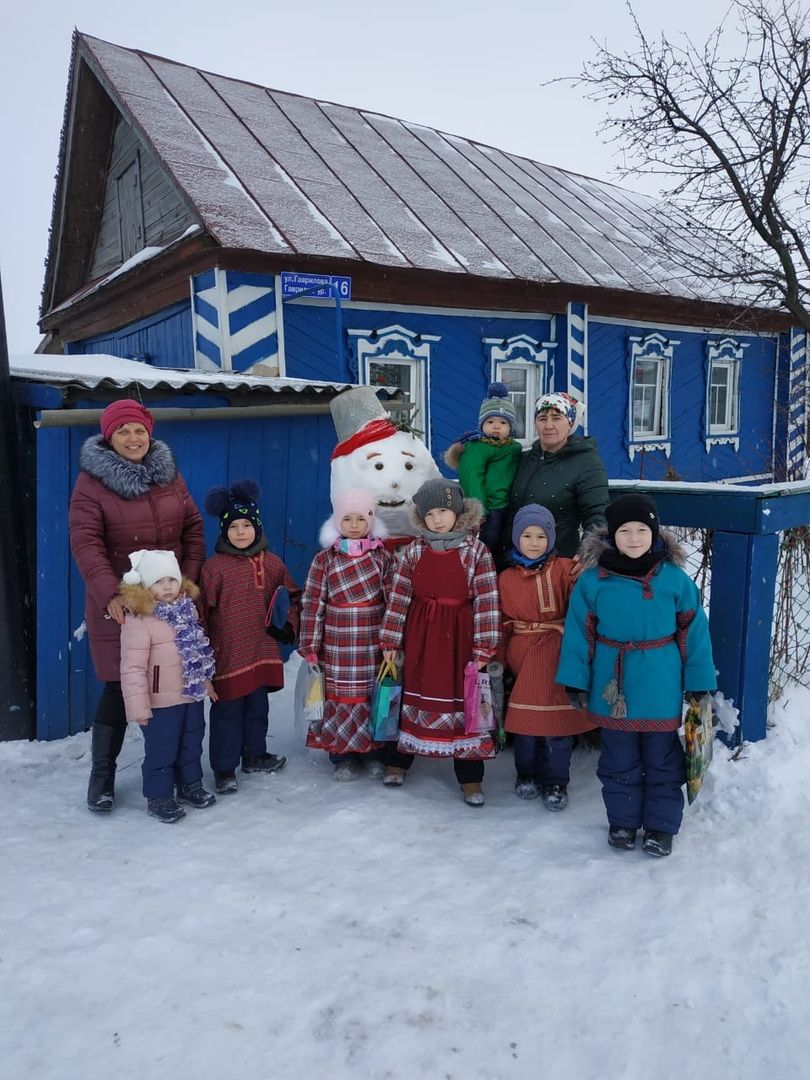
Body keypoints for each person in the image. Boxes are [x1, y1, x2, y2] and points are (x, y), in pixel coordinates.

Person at [556, 493, 716, 857]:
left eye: (641, 529)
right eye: (624, 530)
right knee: (617, 758)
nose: (633, 538)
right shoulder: (594, 582)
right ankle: (623, 822)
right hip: (612, 683)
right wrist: (575, 679)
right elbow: (580, 632)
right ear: (611, 536)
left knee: (662, 759)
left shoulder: (674, 580)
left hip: (660, 680)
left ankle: (661, 827)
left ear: (654, 532)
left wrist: (699, 682)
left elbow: (694, 631)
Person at [69, 398, 205, 813]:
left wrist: (188, 581)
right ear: (109, 438)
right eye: (123, 431)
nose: (133, 438)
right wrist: (111, 593)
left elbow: (194, 529)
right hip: (122, 604)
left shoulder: (169, 475)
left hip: (172, 602)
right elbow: (86, 542)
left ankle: (177, 774)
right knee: (118, 685)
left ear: (150, 433)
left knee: (176, 685)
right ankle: (102, 778)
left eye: (139, 430)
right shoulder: (92, 484)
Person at [380, 479, 500, 807]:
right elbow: (399, 595)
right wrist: (391, 638)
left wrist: (483, 648)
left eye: (443, 511)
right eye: (429, 513)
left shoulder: (476, 551)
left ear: (458, 512)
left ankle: (470, 778)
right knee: (407, 697)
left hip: (460, 636)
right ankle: (397, 761)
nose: (437, 519)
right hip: (421, 635)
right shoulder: (416, 550)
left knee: (466, 702)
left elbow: (487, 600)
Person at [200, 480, 301, 794]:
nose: (241, 532)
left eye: (247, 525)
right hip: (229, 654)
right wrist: (201, 656)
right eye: (234, 527)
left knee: (258, 707)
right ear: (224, 531)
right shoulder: (214, 569)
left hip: (262, 649)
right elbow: (201, 612)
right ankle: (224, 767)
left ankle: (255, 754)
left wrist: (289, 625)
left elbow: (293, 597)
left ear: (257, 527)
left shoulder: (272, 563)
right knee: (228, 713)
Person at [498, 504, 598, 810]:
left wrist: (590, 563)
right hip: (525, 658)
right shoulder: (505, 578)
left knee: (558, 727)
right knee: (526, 725)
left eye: (541, 536)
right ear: (516, 538)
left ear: (551, 538)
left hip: (558, 654)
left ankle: (557, 781)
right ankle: (526, 774)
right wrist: (499, 659)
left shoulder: (565, 569)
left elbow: (587, 593)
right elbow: (502, 622)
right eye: (526, 535)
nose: (533, 542)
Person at [299, 490, 395, 780]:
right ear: (336, 521)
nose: (354, 525)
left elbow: (394, 600)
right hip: (337, 641)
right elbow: (312, 602)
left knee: (373, 696)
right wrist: (310, 643)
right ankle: (342, 755)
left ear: (371, 520)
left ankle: (375, 752)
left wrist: (392, 639)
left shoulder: (383, 557)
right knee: (340, 696)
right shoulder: (325, 559)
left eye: (360, 519)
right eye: (347, 519)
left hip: (371, 641)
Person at [118, 549, 217, 823]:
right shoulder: (139, 621)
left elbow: (197, 653)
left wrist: (206, 682)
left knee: (191, 743)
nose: (167, 587)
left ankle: (190, 784)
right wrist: (138, 705)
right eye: (159, 582)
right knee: (162, 748)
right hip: (160, 702)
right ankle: (159, 796)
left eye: (171, 580)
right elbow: (132, 668)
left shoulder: (188, 612)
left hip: (190, 695)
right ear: (146, 587)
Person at [505, 392, 609, 560]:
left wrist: (586, 555)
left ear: (570, 423)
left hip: (558, 564)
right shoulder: (524, 459)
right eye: (542, 418)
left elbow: (597, 514)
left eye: (556, 417)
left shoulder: (586, 461)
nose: (548, 425)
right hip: (515, 562)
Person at [444, 382, 522, 551]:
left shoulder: (513, 447)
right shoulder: (477, 447)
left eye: (503, 422)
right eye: (491, 421)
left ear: (510, 427)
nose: (496, 426)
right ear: (482, 425)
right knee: (489, 544)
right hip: (489, 509)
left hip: (509, 506)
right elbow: (472, 477)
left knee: (508, 543)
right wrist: (479, 511)